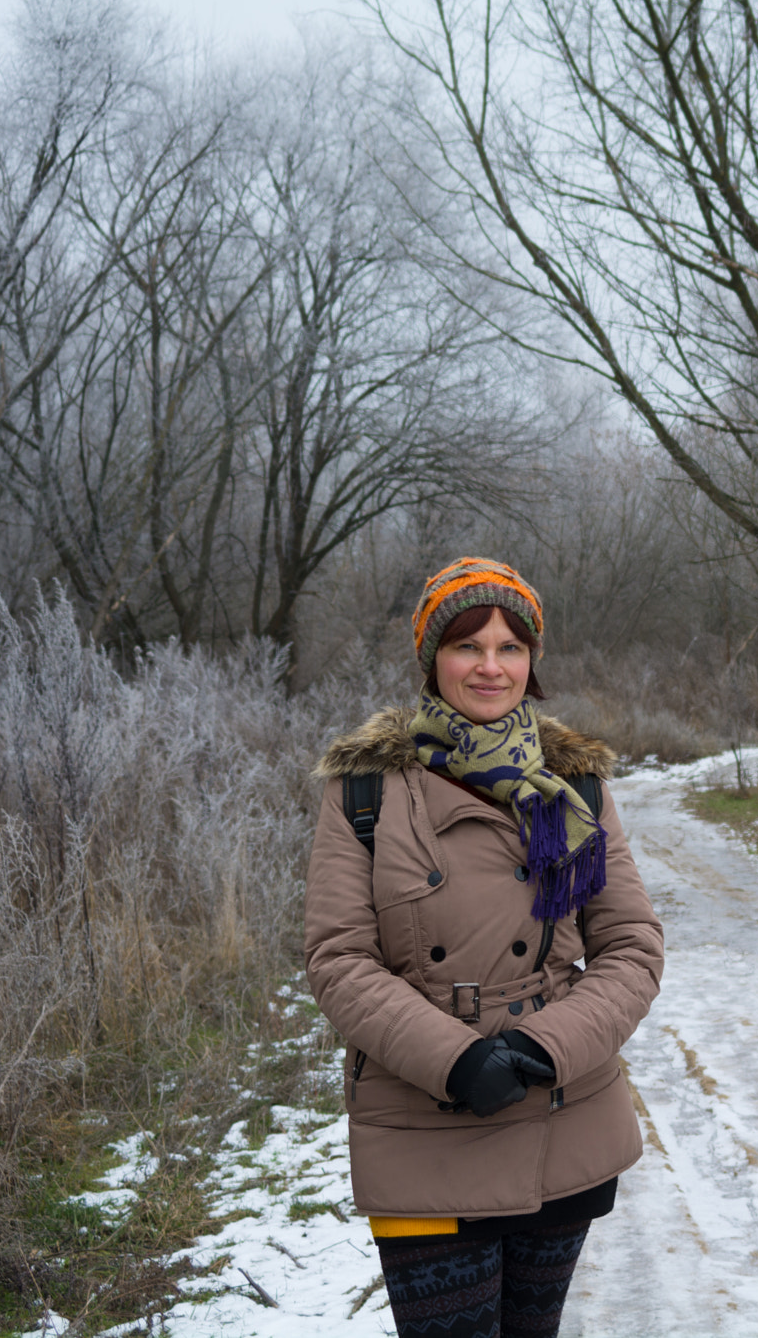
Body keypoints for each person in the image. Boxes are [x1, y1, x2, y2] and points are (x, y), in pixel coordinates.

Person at [305, 556, 665, 1338]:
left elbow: (632, 945)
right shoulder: (365, 789)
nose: (491, 666)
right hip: (421, 1117)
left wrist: (545, 1045)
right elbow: (338, 958)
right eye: (469, 644)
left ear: (532, 661)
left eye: (511, 646)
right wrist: (457, 1059)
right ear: (432, 659)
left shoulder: (576, 787)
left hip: (559, 1108)